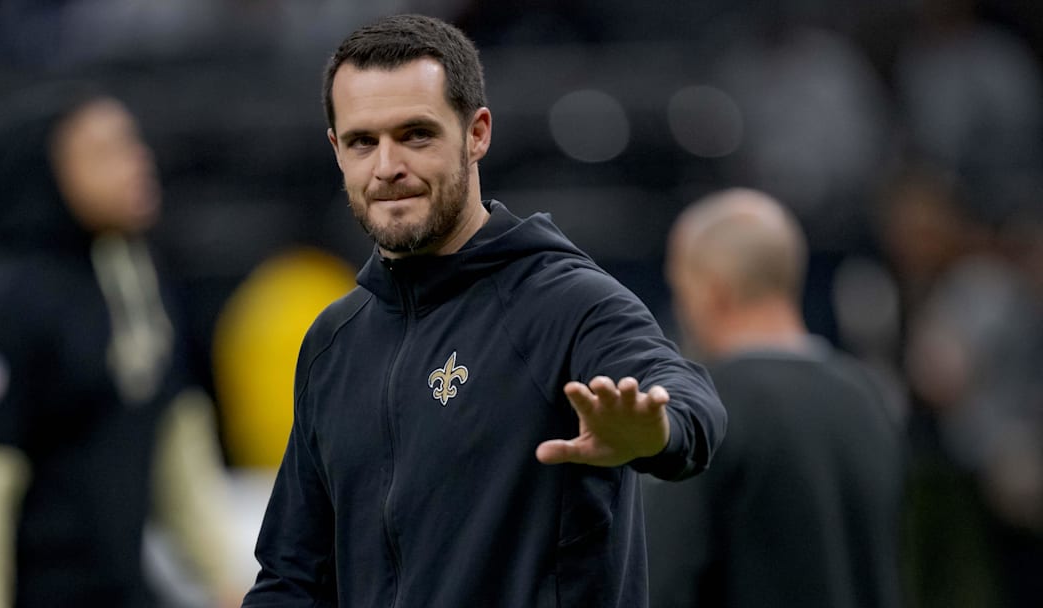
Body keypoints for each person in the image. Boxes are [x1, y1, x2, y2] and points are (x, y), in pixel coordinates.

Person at [241, 14, 726, 608]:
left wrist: (660, 430)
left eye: (416, 134)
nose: (387, 166)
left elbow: (687, 396)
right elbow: (291, 577)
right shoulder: (333, 342)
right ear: (336, 149)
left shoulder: (565, 301)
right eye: (363, 141)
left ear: (477, 134)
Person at [0, 83, 238, 607]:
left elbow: (176, 435)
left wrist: (224, 578)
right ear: (47, 173)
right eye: (104, 152)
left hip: (123, 589)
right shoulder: (7, 303)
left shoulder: (135, 277)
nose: (138, 162)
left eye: (133, 144)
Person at [644, 188, 905, 608]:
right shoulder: (868, 396)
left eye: (681, 288)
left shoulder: (706, 407)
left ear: (712, 291)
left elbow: (663, 580)